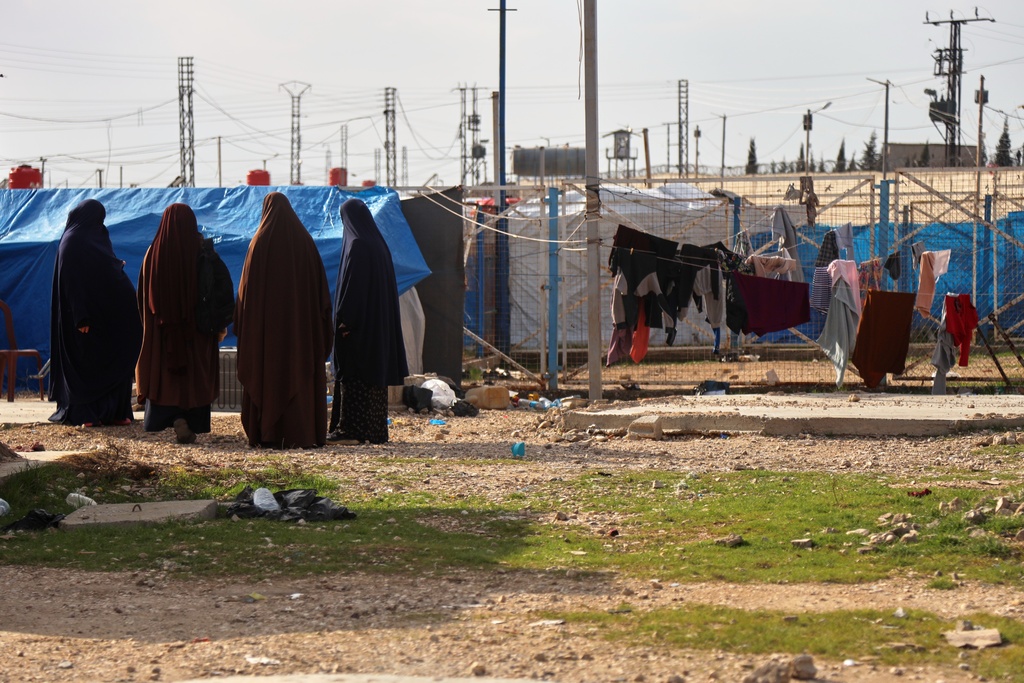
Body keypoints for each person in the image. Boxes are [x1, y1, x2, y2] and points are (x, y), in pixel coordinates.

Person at [234, 192, 333, 449]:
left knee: (267, 372)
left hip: (265, 336)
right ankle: (300, 433)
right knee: (297, 371)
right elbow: (322, 297)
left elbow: (245, 295)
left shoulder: (258, 243)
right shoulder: (305, 243)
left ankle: (266, 432)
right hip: (300, 336)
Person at [136, 203, 229, 444]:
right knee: (193, 379)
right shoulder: (203, 253)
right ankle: (191, 419)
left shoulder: (153, 254)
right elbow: (221, 291)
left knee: (167, 380)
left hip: (163, 333)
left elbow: (144, 298)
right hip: (197, 332)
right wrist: (219, 325)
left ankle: (172, 417)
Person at [48, 199, 143, 426]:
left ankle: (116, 412)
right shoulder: (71, 242)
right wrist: (81, 316)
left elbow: (102, 268)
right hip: (85, 320)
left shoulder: (98, 236)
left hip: (108, 318)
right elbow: (72, 282)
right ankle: (86, 415)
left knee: (117, 358)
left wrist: (114, 265)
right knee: (86, 364)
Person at [328, 197, 408, 445]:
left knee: (355, 375)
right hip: (377, 327)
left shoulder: (358, 246)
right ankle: (373, 430)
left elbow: (354, 289)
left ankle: (350, 430)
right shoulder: (378, 245)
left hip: (357, 329)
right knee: (373, 377)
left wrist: (345, 321)